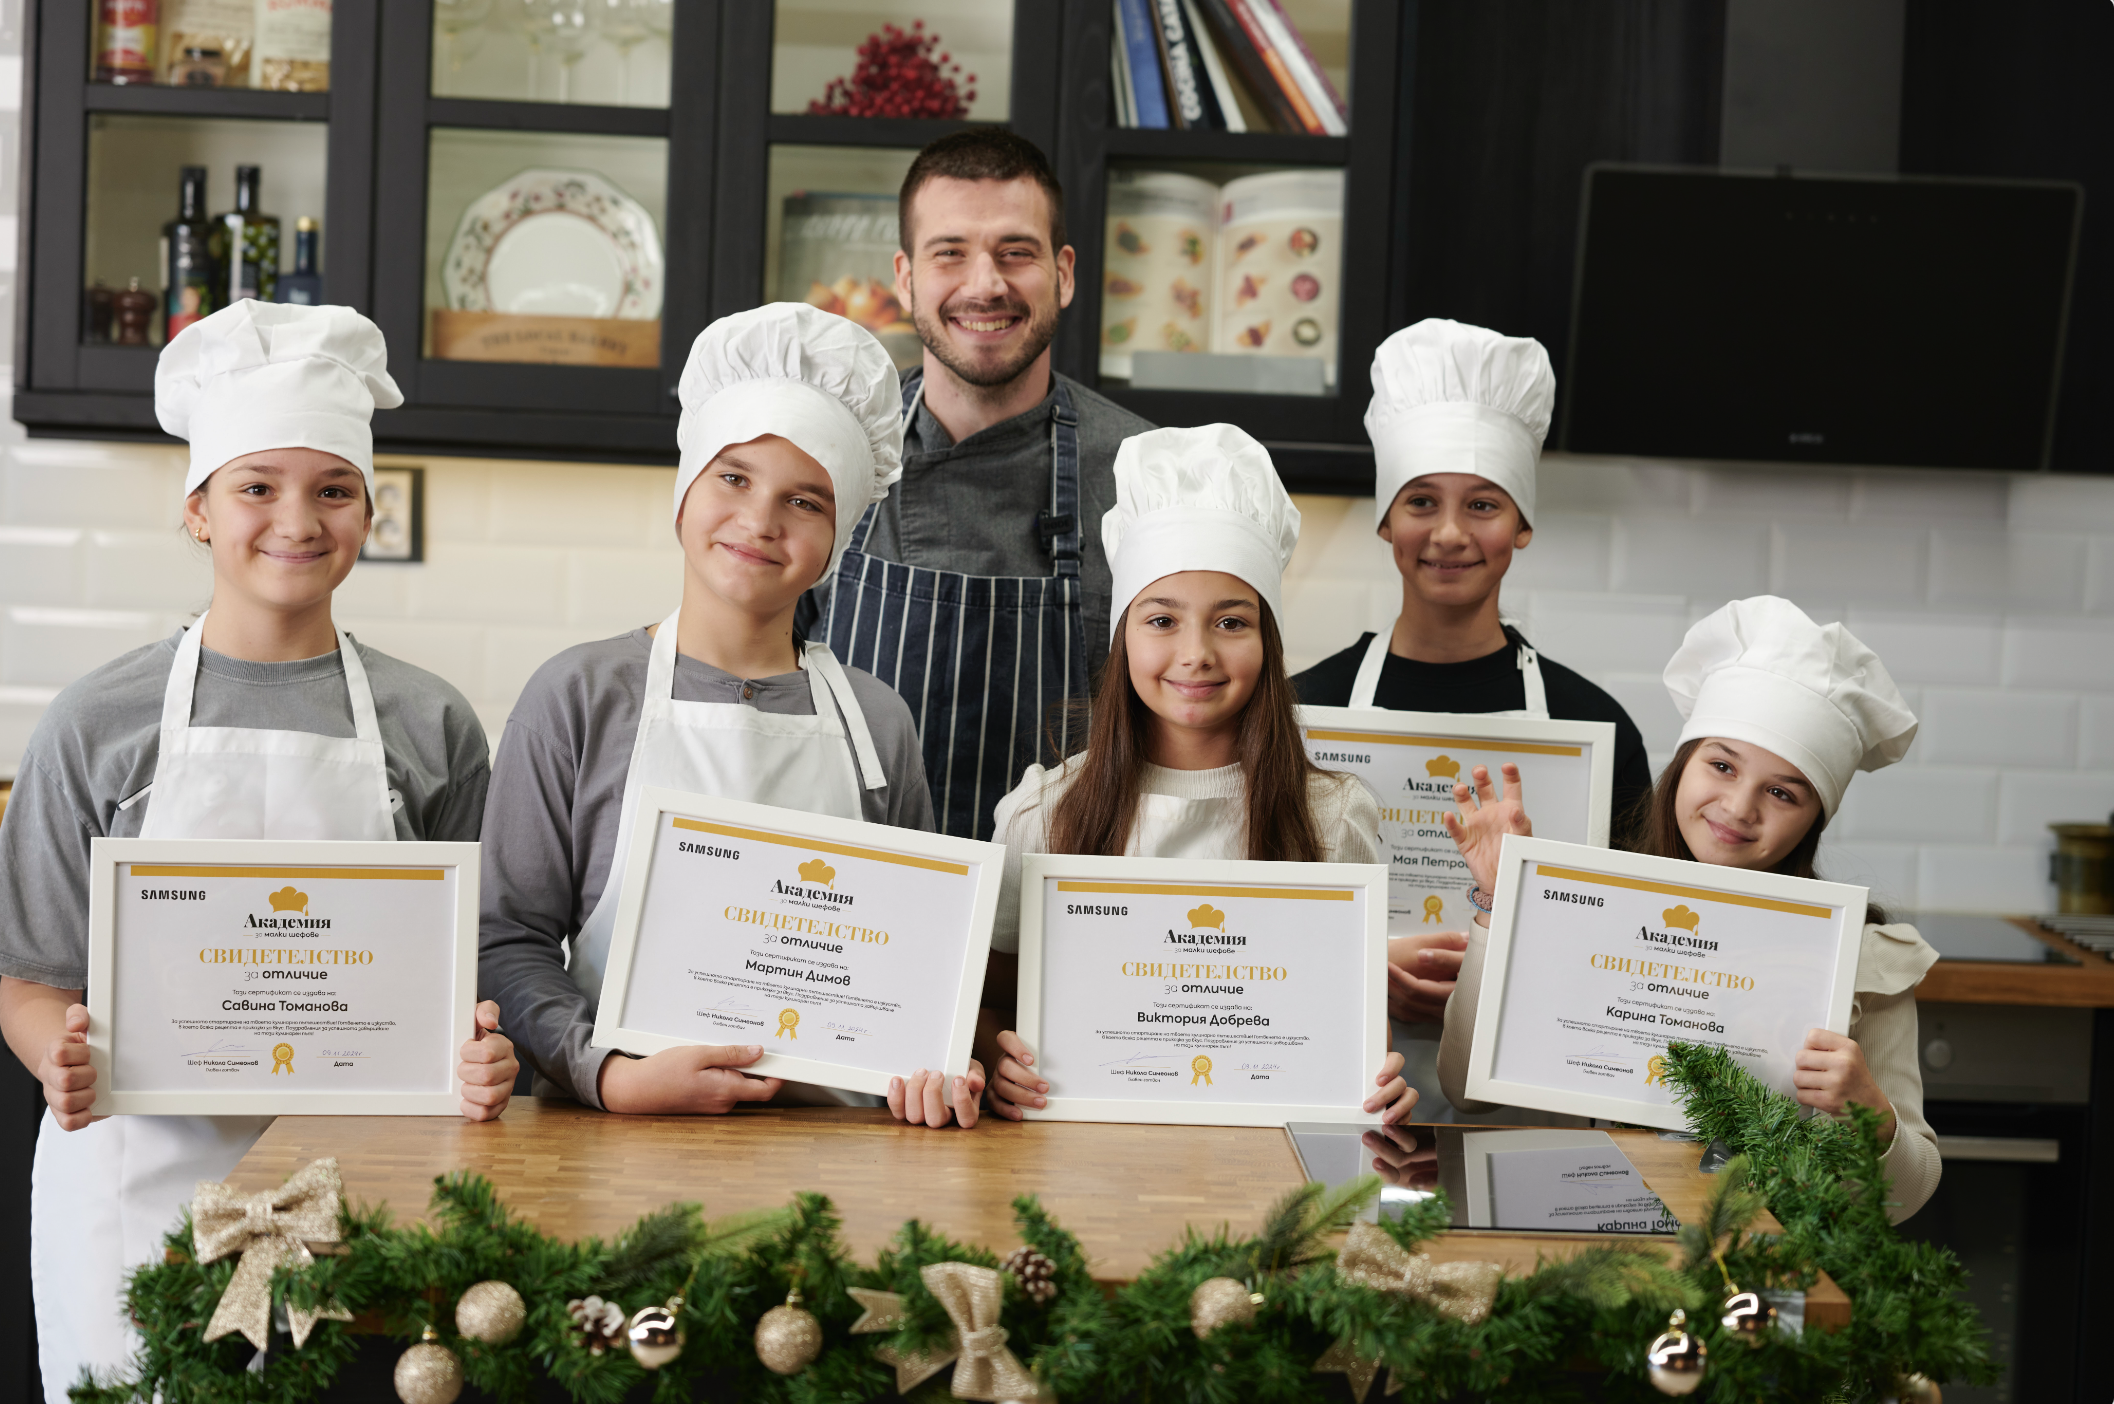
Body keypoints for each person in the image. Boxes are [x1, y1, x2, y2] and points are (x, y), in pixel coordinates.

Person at [0, 301, 517, 1403]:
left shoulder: (433, 725)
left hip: (363, 1190)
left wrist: (478, 1052)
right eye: (256, 486)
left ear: (368, 512)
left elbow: (470, 983)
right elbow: (32, 981)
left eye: (334, 489)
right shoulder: (96, 720)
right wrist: (60, 1055)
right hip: (137, 1190)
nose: (297, 517)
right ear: (196, 510)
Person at [478, 303, 989, 1128]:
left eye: (806, 502)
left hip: (838, 1150)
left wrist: (937, 1065)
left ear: (837, 538)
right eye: (735, 478)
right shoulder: (577, 696)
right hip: (614, 1141)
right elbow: (507, 942)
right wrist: (606, 1073)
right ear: (684, 490)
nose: (760, 521)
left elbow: (915, 968)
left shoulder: (878, 721)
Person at [956, 424, 1416, 1127]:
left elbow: (1352, 1023)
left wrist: (1375, 1085)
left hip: (1270, 1173)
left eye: (1231, 622)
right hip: (1080, 1176)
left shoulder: (1332, 814)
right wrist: (1003, 1063)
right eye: (1162, 619)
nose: (1195, 653)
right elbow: (988, 1004)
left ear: (1268, 639)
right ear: (1122, 635)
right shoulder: (1043, 813)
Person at [1434, 596, 1941, 1221]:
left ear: (1815, 819)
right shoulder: (1579, 905)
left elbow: (1903, 1198)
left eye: (1782, 792)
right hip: (1570, 1242)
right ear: (1683, 765)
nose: (1738, 807)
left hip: (1751, 1269)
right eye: (1722, 765)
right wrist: (1498, 901)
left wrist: (1867, 1108)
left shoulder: (1859, 958)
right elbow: (1465, 1090)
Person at [1290, 318, 1653, 1115]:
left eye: (1483, 504)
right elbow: (1256, 913)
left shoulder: (1597, 725)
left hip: (1534, 1094)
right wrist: (1366, 959)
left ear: (1522, 527)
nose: (1449, 534)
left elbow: (1633, 944)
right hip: (1334, 1085)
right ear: (1386, 521)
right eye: (1421, 502)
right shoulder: (1299, 709)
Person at [799, 128, 1157, 841]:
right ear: (904, 278)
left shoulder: (1145, 473)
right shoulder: (826, 457)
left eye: (1015, 252)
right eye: (950, 252)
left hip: (1056, 914)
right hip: (844, 905)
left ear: (1064, 273)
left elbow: (1189, 733)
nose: (985, 283)